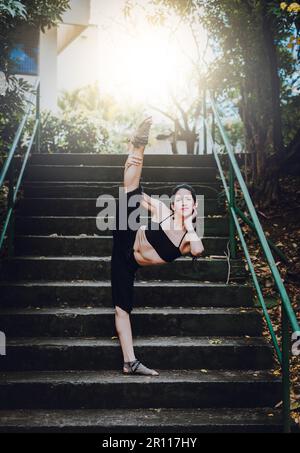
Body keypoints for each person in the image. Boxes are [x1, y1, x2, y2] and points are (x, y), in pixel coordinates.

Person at [111, 117, 204, 376]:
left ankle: (129, 362)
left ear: (194, 207)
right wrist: (132, 164)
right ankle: (139, 144)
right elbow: (135, 194)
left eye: (189, 200)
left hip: (127, 263)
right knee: (129, 190)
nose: (183, 201)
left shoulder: (188, 239)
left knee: (122, 308)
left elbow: (198, 251)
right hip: (126, 238)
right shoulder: (163, 210)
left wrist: (190, 225)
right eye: (179, 199)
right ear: (173, 204)